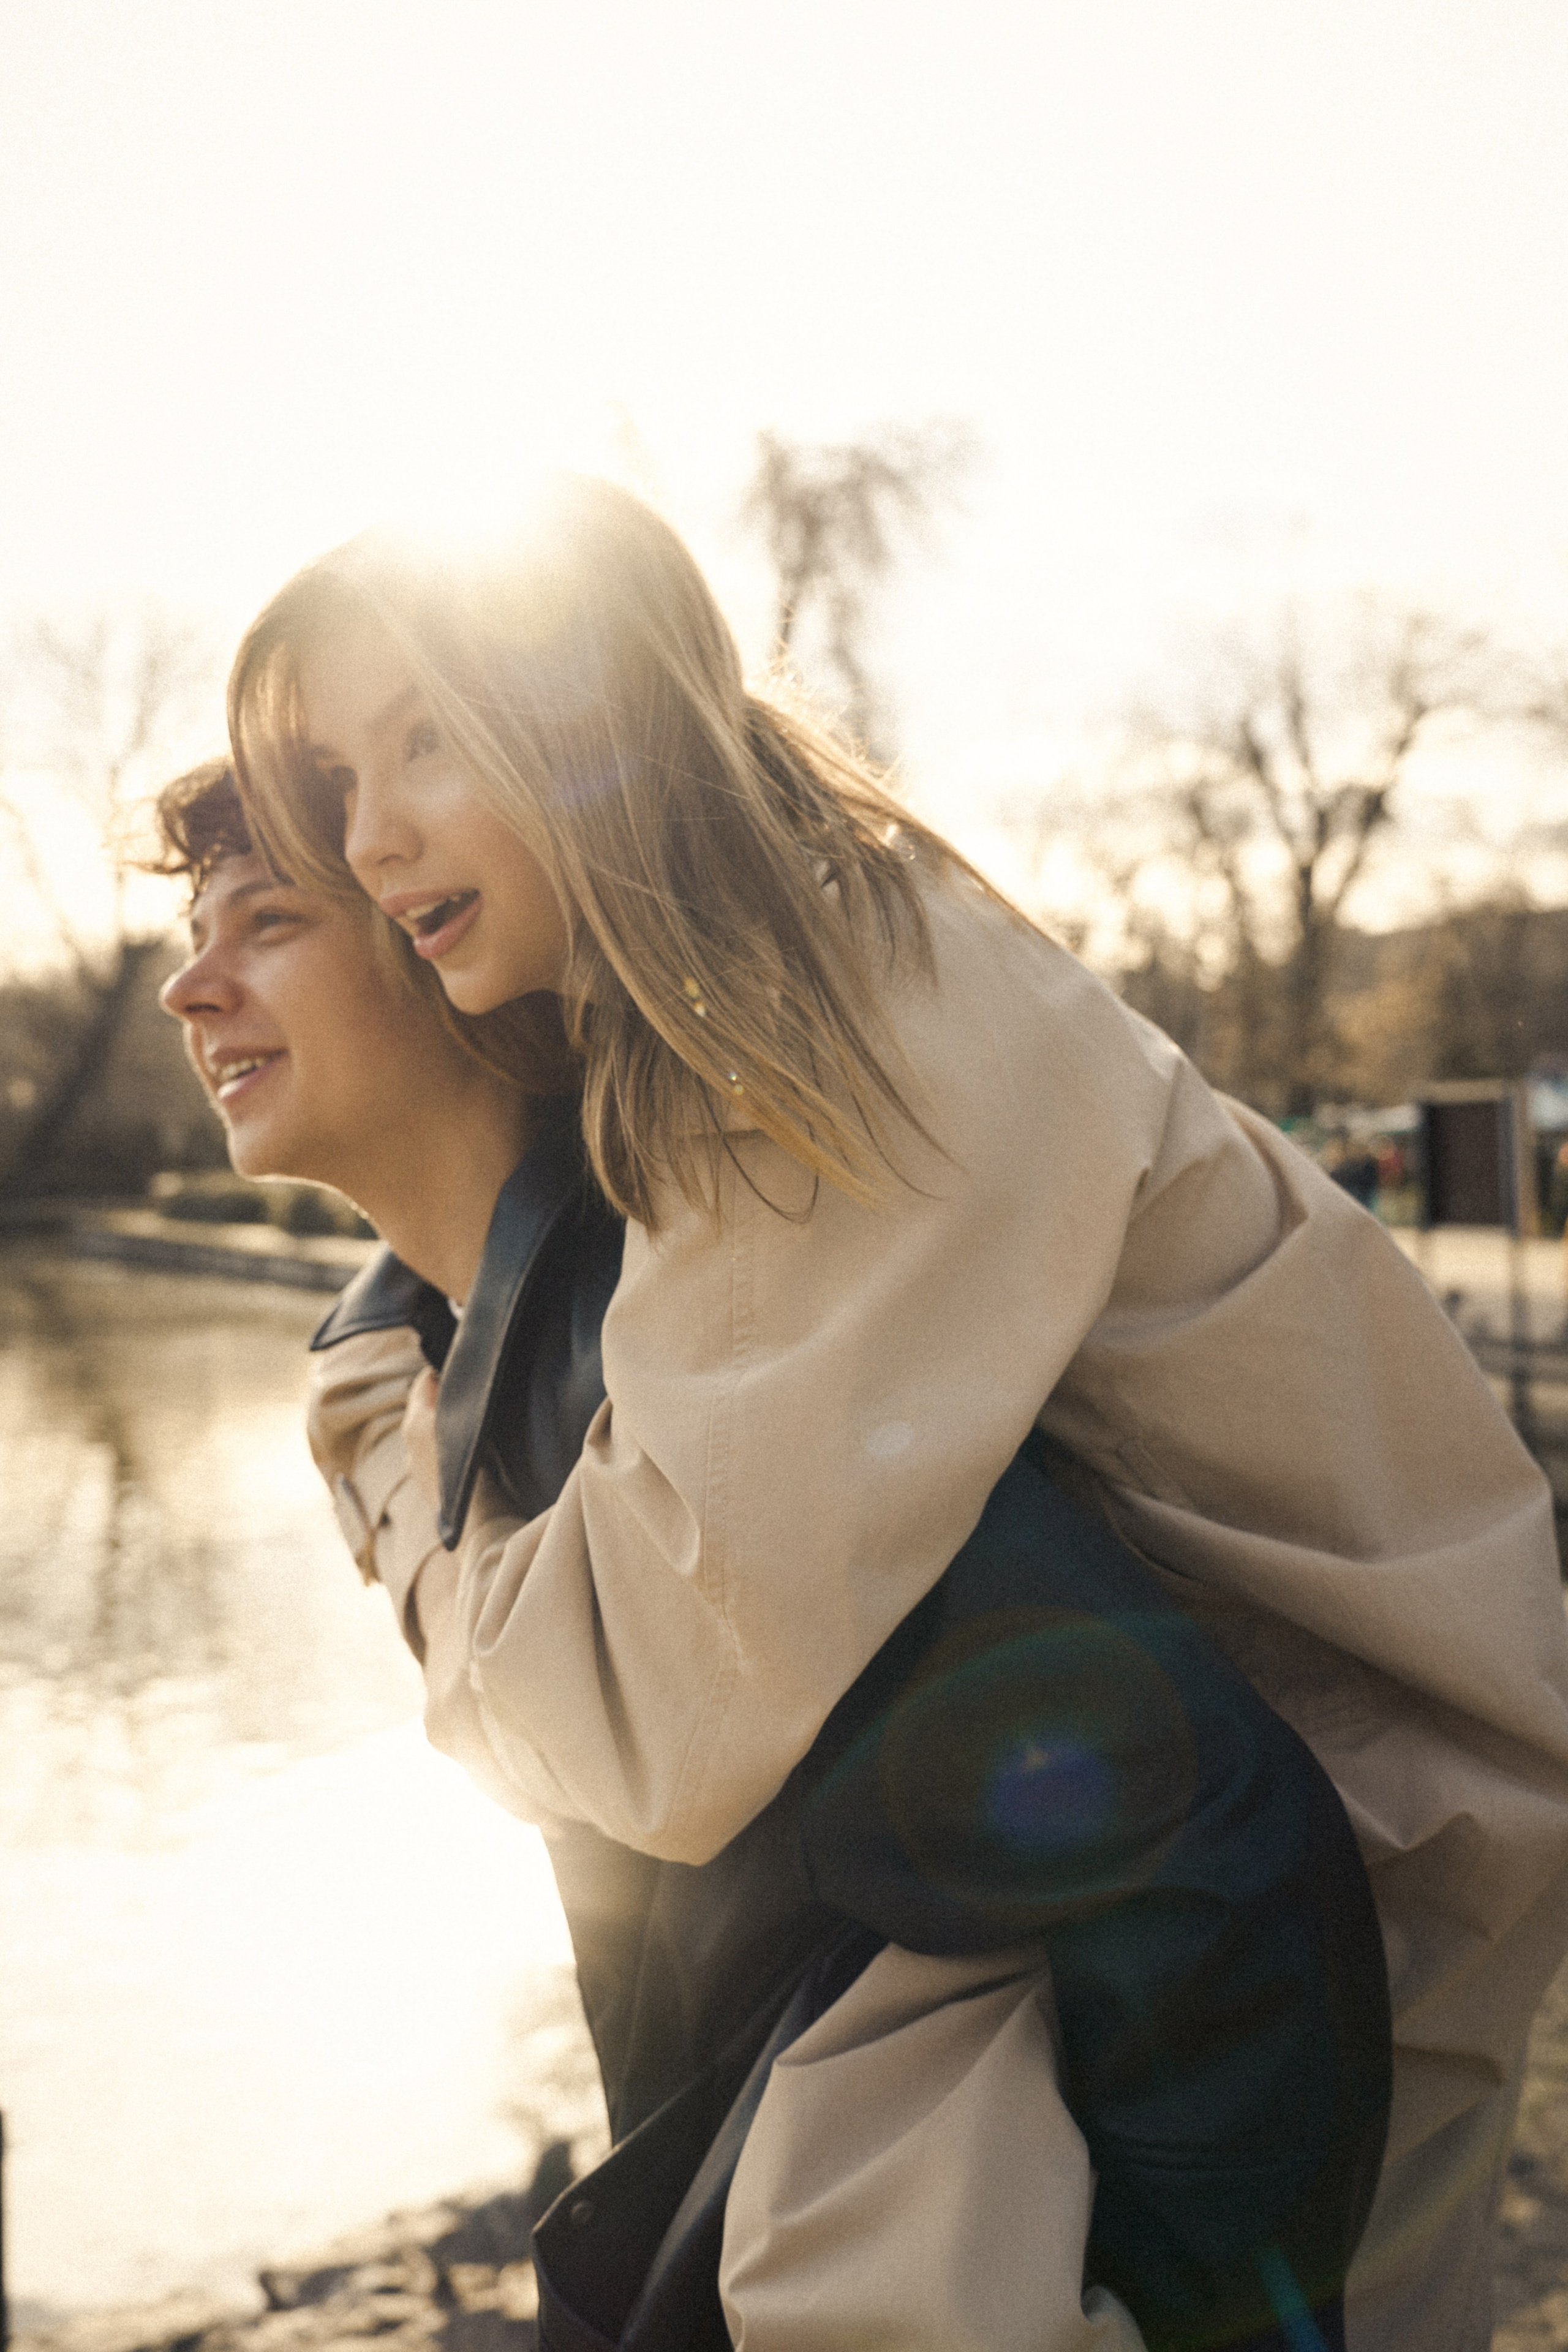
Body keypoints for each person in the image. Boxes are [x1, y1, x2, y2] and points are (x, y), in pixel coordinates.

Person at [225, 477, 1568, 2351]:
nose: (373, 835)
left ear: (595, 705)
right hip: (1237, 1804)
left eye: (427, 737)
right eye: (338, 778)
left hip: (1361, 1806)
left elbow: (652, 1715)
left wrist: (386, 1412)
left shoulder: (831, 1020)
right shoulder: (734, 997)